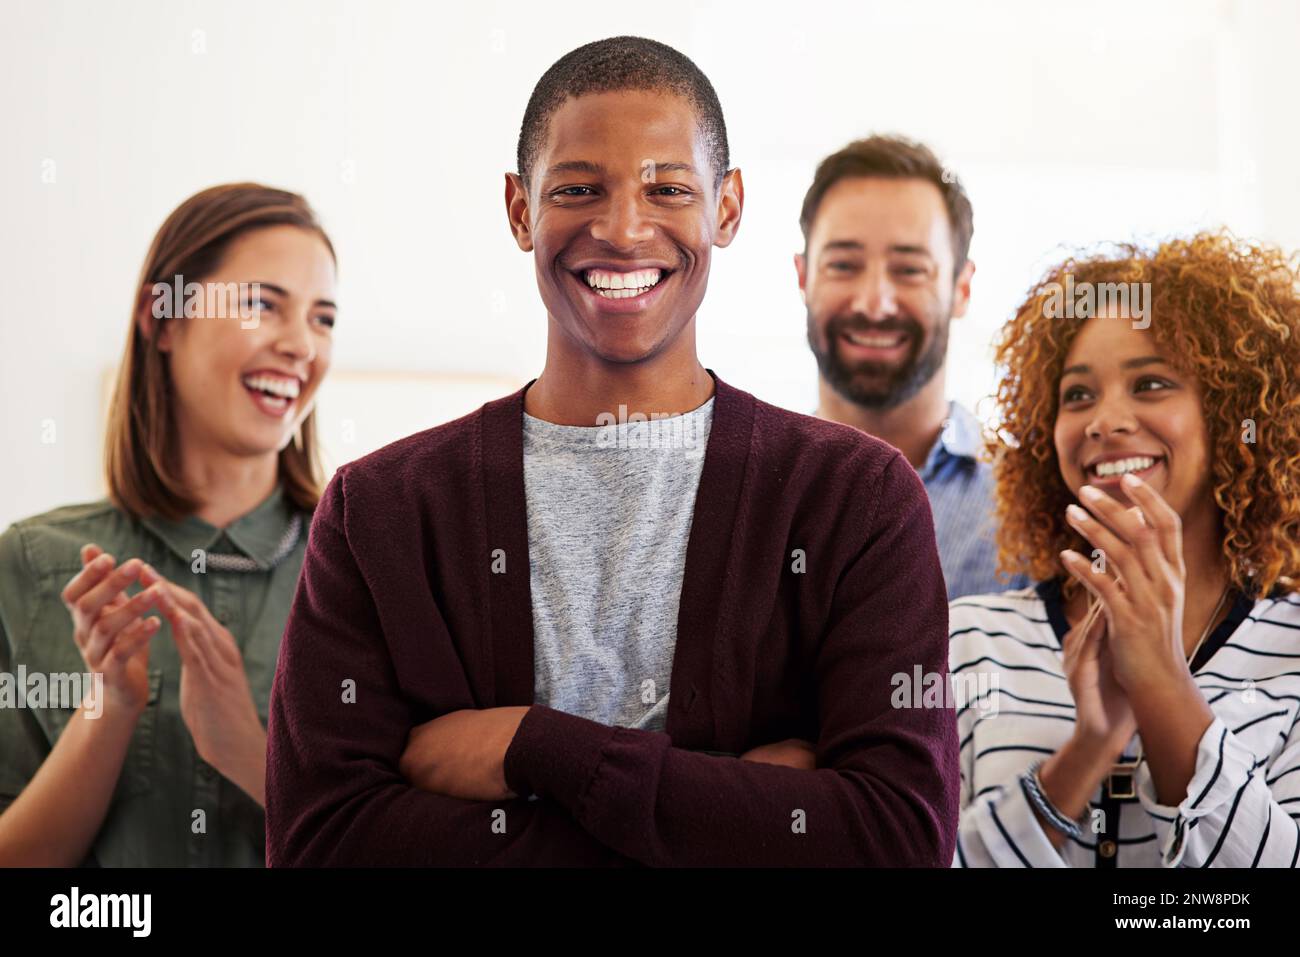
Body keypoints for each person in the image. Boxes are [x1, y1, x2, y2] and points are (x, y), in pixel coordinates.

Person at [266, 36, 958, 867]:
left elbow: (897, 838)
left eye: (668, 188)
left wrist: (537, 748)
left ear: (726, 208)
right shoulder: (379, 511)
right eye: (578, 188)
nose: (624, 228)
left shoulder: (857, 498)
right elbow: (320, 844)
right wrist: (735, 805)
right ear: (521, 210)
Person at [0, 183, 338, 866]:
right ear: (164, 317)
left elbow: (411, 847)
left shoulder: (367, 567)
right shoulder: (31, 562)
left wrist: (249, 752)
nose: (301, 343)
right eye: (261, 303)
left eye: (323, 318)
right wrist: (111, 706)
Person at [950, 231, 1300, 866]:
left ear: (1231, 411)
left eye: (1151, 384)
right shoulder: (968, 641)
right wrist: (1091, 745)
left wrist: (1162, 683)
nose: (1103, 420)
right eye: (1077, 394)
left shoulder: (1293, 649)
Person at [797, 135, 1029, 599]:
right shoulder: (745, 492)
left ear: (961, 289)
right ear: (803, 277)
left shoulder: (1029, 507)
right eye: (844, 265)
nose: (875, 303)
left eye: (909, 270)